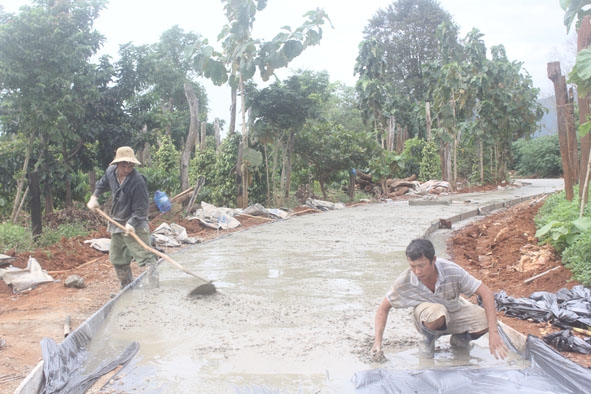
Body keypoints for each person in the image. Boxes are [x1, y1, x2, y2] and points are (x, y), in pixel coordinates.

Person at [371, 238, 507, 360]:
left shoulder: (451, 270)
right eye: (413, 266)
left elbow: (486, 293)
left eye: (421, 266)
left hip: (453, 311)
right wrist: (377, 342)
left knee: (486, 320)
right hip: (429, 317)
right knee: (437, 311)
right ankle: (428, 340)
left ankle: (460, 340)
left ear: (433, 260)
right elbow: (383, 308)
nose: (417, 272)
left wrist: (493, 333)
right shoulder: (404, 281)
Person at [86, 146, 159, 289]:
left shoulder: (138, 181)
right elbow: (101, 184)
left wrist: (131, 223)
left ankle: (154, 288)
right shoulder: (110, 173)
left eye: (130, 166)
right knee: (117, 257)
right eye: (124, 166)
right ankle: (126, 287)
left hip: (136, 223)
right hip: (117, 222)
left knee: (146, 256)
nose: (127, 169)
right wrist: (94, 197)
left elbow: (142, 209)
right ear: (117, 164)